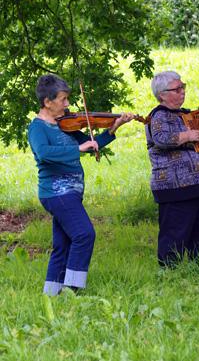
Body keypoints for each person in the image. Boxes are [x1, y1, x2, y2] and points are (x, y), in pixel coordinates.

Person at [28, 74, 133, 295]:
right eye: (63, 99)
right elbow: (44, 153)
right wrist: (76, 149)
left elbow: (92, 144)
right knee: (84, 234)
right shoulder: (38, 128)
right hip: (56, 192)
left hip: (71, 193)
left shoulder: (66, 124)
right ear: (47, 102)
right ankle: (71, 291)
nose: (67, 104)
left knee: (63, 245)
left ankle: (51, 293)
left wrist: (114, 128)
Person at [145, 70, 199, 268]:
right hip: (175, 188)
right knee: (175, 233)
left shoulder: (188, 115)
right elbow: (161, 138)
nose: (182, 92)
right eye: (177, 89)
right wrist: (187, 136)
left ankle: (198, 270)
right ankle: (168, 273)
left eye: (183, 87)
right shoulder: (157, 116)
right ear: (162, 95)